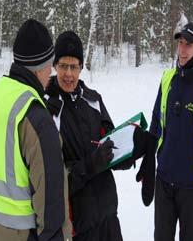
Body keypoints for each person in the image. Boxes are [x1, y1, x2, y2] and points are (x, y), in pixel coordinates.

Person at [0, 19, 70, 241]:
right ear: (41, 67)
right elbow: (50, 204)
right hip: (22, 234)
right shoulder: (35, 116)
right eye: (51, 65)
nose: (52, 73)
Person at [136, 22, 193, 241]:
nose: (183, 50)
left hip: (191, 186)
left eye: (189, 45)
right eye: (180, 43)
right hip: (164, 181)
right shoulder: (167, 79)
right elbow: (156, 123)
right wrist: (149, 162)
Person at [45, 31, 125, 241]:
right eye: (63, 66)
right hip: (77, 226)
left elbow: (112, 143)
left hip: (108, 216)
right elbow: (53, 179)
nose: (69, 74)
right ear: (55, 66)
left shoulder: (93, 99)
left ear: (81, 67)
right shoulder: (48, 108)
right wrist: (91, 164)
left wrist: (132, 150)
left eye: (74, 66)